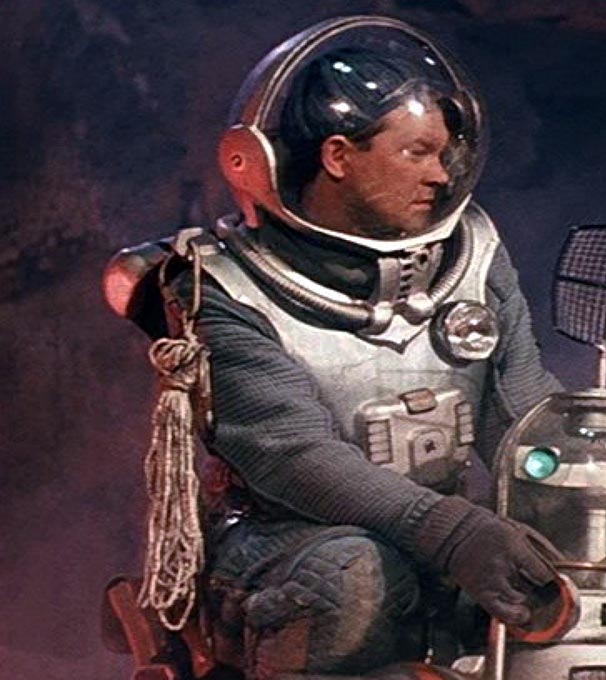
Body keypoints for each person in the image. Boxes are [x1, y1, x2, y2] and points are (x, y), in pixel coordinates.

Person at [108, 18, 562, 679]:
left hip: (435, 528)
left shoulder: (472, 254)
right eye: (418, 153)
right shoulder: (223, 285)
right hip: (278, 543)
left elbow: (521, 418)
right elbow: (294, 456)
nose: (442, 175)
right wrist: (453, 532)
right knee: (352, 576)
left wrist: (583, 483)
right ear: (338, 156)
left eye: (446, 154)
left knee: (559, 548)